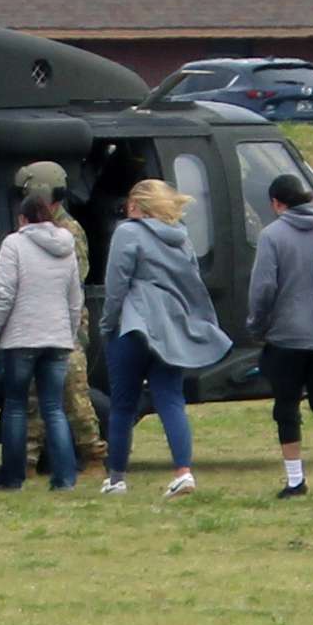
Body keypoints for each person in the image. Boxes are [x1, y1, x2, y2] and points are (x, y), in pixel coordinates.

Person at [100, 178, 230, 497]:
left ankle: (117, 478)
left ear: (136, 205)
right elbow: (193, 285)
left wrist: (106, 325)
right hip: (171, 327)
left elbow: (116, 285)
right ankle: (183, 472)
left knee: (123, 405)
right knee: (171, 399)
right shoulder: (182, 239)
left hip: (133, 324)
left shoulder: (127, 232)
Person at [244, 173, 313, 499]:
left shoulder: (272, 235)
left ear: (277, 203)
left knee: (286, 407)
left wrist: (257, 325)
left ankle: (295, 480)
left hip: (286, 336)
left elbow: (264, 287)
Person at [0, 193, 82, 491]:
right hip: (57, 337)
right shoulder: (67, 247)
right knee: (54, 407)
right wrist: (69, 333)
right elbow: (75, 298)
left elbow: (5, 292)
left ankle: (12, 476)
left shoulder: (14, 244)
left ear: (22, 219)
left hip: (22, 337)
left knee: (15, 406)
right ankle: (65, 477)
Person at [11, 160, 108, 485]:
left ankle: (93, 455)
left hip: (66, 326)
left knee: (75, 396)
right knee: (34, 397)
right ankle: (27, 460)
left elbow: (74, 278)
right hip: (41, 322)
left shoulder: (69, 232)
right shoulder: (35, 230)